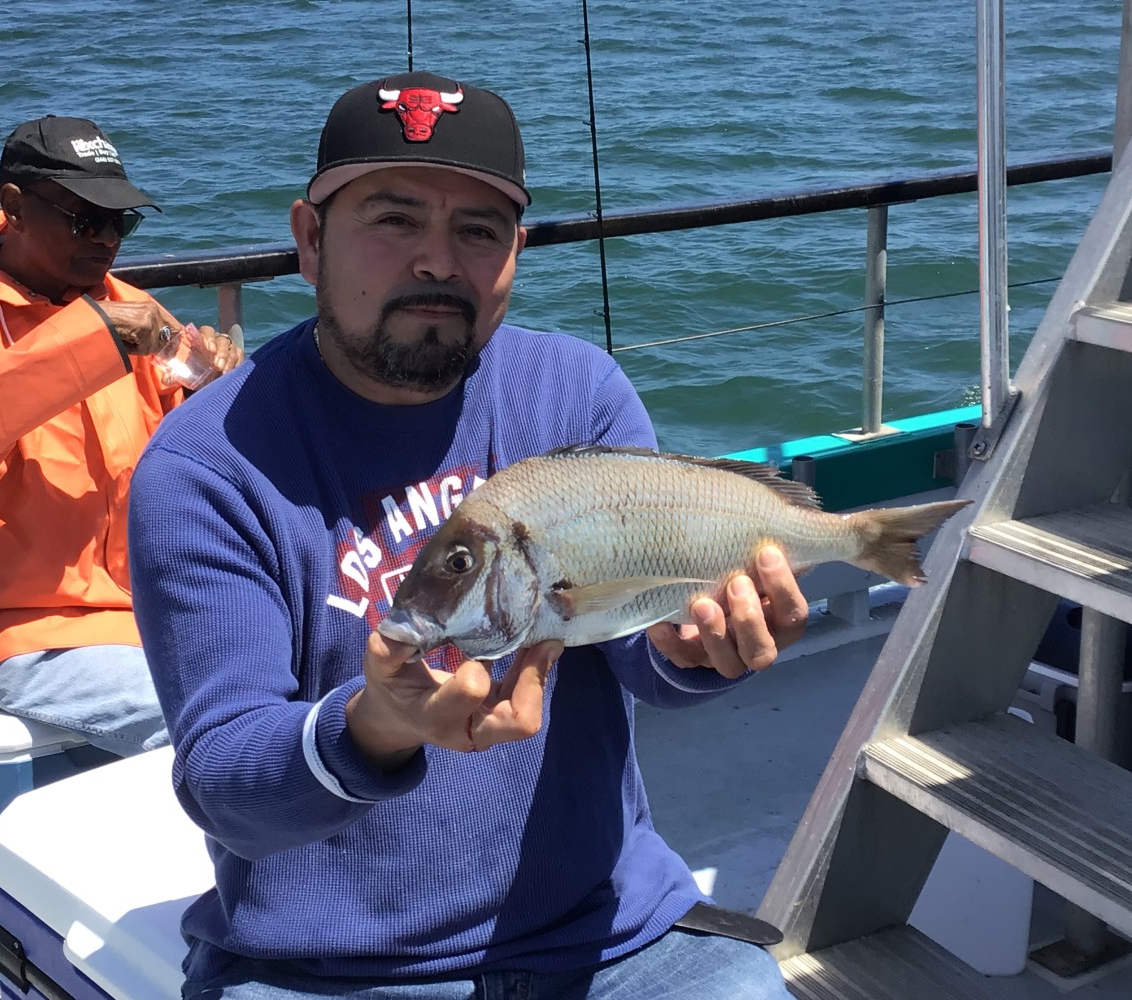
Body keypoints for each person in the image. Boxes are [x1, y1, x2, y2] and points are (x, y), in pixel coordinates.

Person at [129, 71, 806, 998]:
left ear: (514, 254)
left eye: (477, 230)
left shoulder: (577, 392)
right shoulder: (208, 465)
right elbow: (225, 786)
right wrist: (373, 727)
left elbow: (635, 651)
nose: (438, 262)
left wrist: (694, 651)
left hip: (611, 933)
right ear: (309, 240)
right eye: (394, 220)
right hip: (325, 968)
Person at [0, 115, 240, 756]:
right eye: (83, 219)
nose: (105, 240)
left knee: (321, 663)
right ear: (13, 207)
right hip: (8, 622)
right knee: (217, 723)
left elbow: (186, 446)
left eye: (119, 222)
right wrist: (99, 338)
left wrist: (211, 389)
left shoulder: (118, 301)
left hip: (141, 606)